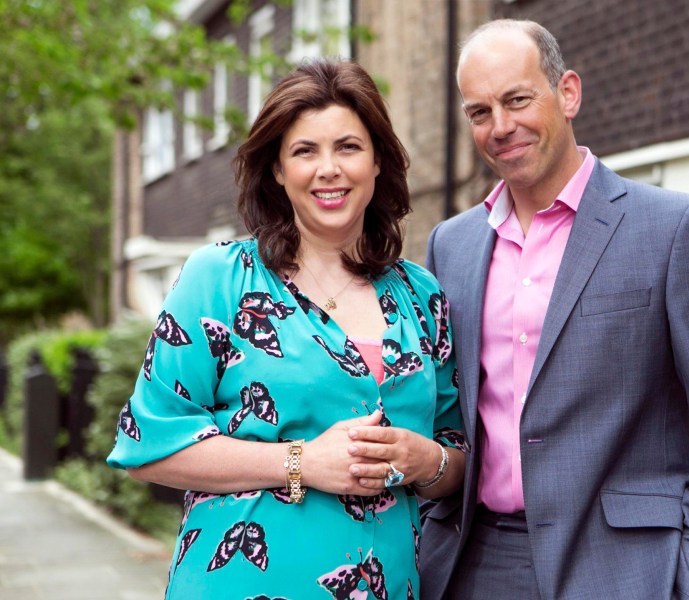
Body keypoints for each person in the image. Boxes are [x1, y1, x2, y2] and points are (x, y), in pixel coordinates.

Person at [421, 19, 689, 600]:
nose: (501, 126)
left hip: (624, 570)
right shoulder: (451, 245)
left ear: (568, 93)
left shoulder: (674, 228)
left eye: (517, 99)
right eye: (480, 112)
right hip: (472, 562)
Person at [107, 60, 465, 600]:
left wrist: (425, 461)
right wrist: (301, 462)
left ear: (377, 163)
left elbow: (457, 457)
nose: (329, 169)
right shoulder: (219, 280)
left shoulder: (422, 297)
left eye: (348, 147)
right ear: (277, 169)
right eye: (305, 151)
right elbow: (147, 447)